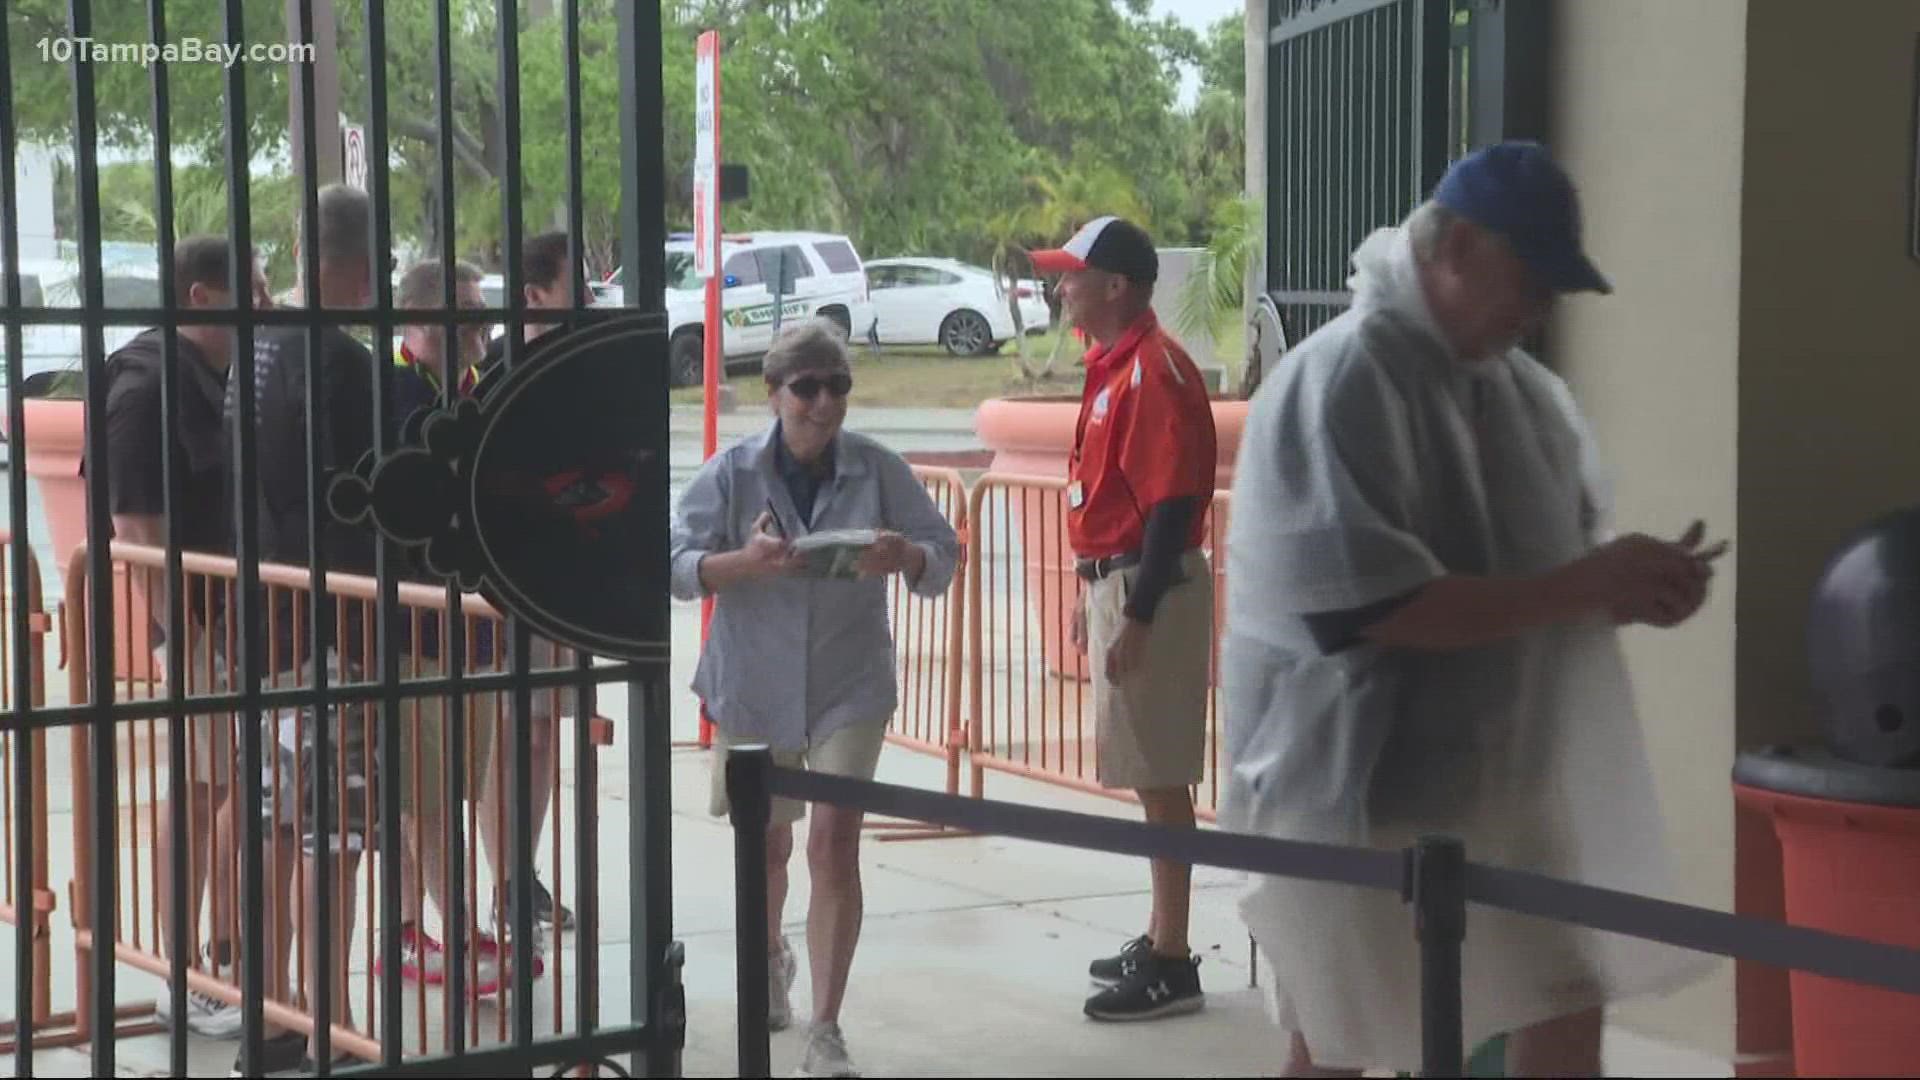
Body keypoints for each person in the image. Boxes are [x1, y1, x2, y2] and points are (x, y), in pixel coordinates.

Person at [1219, 141, 1722, 1077]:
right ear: (1452, 248)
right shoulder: (1344, 381)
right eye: (1524, 281)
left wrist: (1625, 593)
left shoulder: (1522, 399)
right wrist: (1589, 586)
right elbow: (1373, 608)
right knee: (1341, 1036)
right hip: (1361, 787)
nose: (1533, 312)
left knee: (1565, 997)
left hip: (1505, 781)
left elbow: (1533, 585)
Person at [670, 319, 960, 1078]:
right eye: (806, 388)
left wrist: (907, 556)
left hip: (848, 683)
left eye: (838, 386)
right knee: (765, 843)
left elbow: (943, 551)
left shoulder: (877, 468)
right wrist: (745, 562)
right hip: (753, 682)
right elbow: (673, 562)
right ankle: (769, 959)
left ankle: (826, 1029)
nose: (824, 403)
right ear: (772, 393)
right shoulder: (730, 472)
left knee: (834, 842)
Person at [1028, 216, 1218, 1022]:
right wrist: (1088, 588)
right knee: (1147, 771)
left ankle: (1173, 958)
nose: (1061, 285)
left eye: (1073, 273)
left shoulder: (1154, 370)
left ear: (1115, 285)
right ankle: (1159, 931)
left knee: (1163, 774)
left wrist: (1135, 615)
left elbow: (1173, 502)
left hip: (1154, 589)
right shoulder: (1112, 366)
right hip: (1125, 582)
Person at [96, 234, 270, 1040]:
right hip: (201, 625)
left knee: (231, 789)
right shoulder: (145, 384)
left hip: (232, 619)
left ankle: (221, 953)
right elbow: (135, 527)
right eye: (254, 291)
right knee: (199, 793)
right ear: (202, 297)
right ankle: (179, 971)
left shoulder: (213, 377)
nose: (264, 306)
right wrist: (182, 635)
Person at [227, 182, 383, 1074]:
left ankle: (273, 1014)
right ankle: (334, 1023)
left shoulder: (254, 350)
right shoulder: (338, 361)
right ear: (360, 267)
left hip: (262, 627)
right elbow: (351, 502)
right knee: (335, 836)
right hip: (328, 632)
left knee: (277, 828)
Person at [378, 257, 520, 997]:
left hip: (477, 624)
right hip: (414, 629)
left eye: (483, 309)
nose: (482, 325)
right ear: (416, 319)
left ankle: (407, 933)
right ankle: (463, 937)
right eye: (464, 312)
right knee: (426, 795)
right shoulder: (391, 392)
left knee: (445, 788)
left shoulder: (485, 390)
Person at [471, 229, 580, 938]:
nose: (592, 299)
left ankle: (524, 874)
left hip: (566, 576)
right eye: (581, 286)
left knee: (541, 733)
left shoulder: (587, 365)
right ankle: (505, 885)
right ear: (537, 295)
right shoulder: (501, 368)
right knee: (507, 731)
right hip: (509, 577)